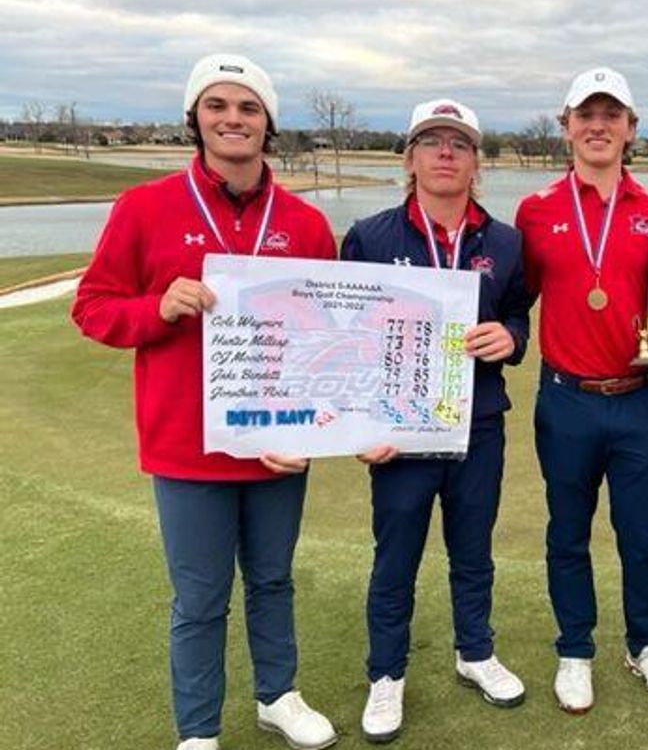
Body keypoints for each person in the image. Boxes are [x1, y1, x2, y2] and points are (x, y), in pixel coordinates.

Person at [71, 54, 338, 750]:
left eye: (248, 108)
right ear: (196, 118)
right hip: (186, 446)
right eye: (218, 106)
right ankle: (197, 730)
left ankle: (278, 694)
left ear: (268, 123)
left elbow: (329, 336)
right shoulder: (145, 207)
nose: (233, 119)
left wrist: (317, 425)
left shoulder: (306, 223)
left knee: (275, 579)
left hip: (278, 442)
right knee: (200, 599)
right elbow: (94, 308)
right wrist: (157, 308)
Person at [341, 98, 532, 743]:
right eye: (431, 141)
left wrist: (510, 336)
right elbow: (349, 338)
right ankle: (386, 676)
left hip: (477, 425)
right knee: (396, 558)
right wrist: (361, 427)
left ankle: (474, 652)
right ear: (411, 157)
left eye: (458, 143)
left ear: (477, 161)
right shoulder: (371, 236)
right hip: (399, 434)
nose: (445, 152)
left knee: (473, 554)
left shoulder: (504, 242)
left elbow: (516, 315)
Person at [514, 67, 648, 713]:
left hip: (641, 397)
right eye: (586, 114)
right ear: (566, 128)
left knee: (644, 534)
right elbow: (513, 298)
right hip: (566, 400)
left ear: (631, 130)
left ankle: (647, 642)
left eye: (612, 115)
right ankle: (575, 648)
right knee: (568, 532)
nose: (598, 126)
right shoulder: (535, 212)